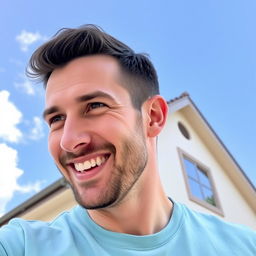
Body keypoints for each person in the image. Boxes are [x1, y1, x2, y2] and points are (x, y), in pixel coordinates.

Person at [0, 25, 255, 256]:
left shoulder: (244, 247)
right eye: (56, 119)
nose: (69, 140)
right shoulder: (21, 247)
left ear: (153, 117)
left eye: (95, 105)